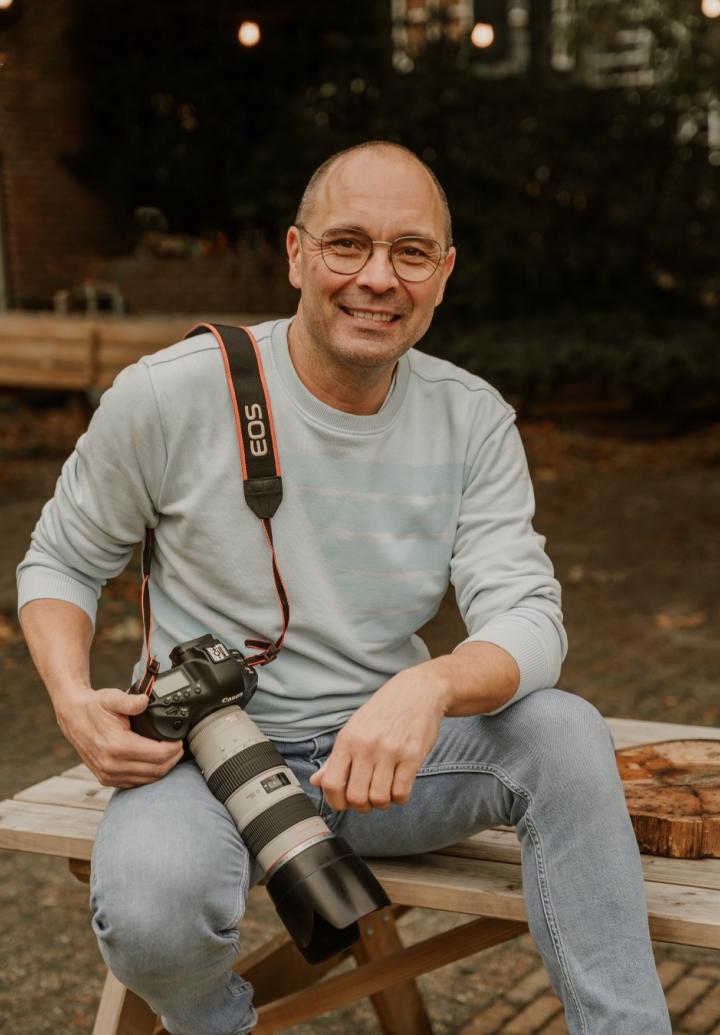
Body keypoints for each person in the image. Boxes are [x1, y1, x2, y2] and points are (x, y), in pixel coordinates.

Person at [17, 141, 671, 1035]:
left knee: (564, 732)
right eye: (348, 243)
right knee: (150, 913)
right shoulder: (169, 394)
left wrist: (428, 685)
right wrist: (69, 699)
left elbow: (529, 616)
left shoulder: (472, 417)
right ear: (296, 254)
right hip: (205, 760)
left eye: (411, 252)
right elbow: (60, 561)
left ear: (443, 275)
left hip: (393, 764)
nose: (378, 277)